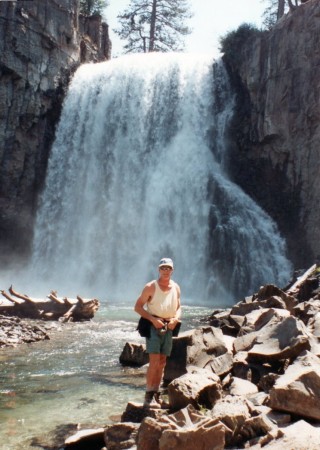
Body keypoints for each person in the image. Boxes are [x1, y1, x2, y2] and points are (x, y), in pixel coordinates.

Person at [134, 257, 181, 408]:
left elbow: (179, 307)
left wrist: (175, 319)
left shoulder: (176, 287)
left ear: (172, 270)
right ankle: (148, 395)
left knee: (162, 362)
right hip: (154, 326)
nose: (166, 271)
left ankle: (157, 394)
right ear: (158, 270)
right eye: (163, 268)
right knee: (154, 361)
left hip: (169, 326)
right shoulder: (150, 287)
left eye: (168, 268)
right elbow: (138, 307)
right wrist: (153, 320)